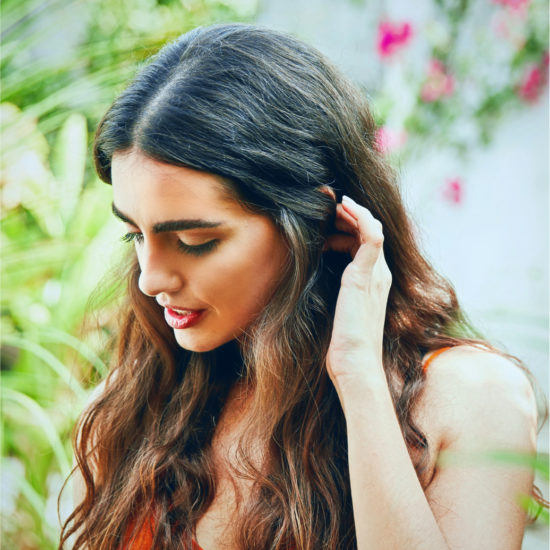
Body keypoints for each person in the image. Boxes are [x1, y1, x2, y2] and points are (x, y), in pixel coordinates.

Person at [59, 23, 544, 550]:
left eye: (197, 240)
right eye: (135, 234)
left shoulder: (468, 399)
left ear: (317, 221)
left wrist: (358, 376)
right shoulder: (140, 401)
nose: (151, 278)